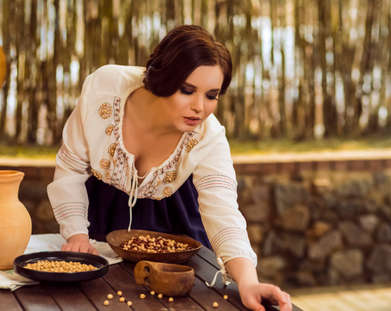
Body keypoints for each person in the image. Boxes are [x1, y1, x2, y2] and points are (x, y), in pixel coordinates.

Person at [47, 25, 292, 311]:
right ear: (163, 78)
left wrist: (249, 282)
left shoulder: (208, 137)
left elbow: (224, 212)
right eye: (187, 91)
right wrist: (76, 233)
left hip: (176, 227)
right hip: (101, 219)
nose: (200, 107)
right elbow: (71, 167)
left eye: (212, 95)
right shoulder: (104, 89)